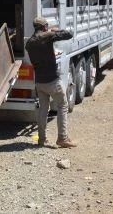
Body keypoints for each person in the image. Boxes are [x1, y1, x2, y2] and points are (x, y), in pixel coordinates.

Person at [25, 16, 76, 149]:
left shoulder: (29, 43)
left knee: (43, 110)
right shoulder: (47, 36)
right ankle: (62, 138)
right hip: (52, 80)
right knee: (63, 105)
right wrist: (55, 31)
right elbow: (69, 34)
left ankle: (42, 139)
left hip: (40, 82)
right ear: (45, 27)